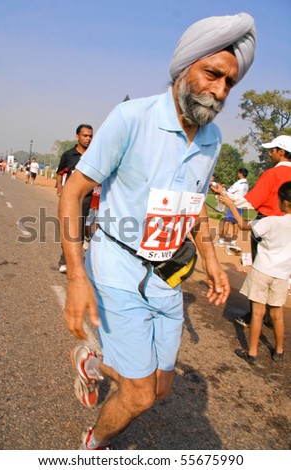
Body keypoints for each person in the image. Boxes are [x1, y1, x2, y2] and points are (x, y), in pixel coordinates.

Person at [59, 13, 255, 450]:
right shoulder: (132, 118)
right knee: (141, 394)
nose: (220, 91)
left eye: (229, 83)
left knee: (161, 388)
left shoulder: (213, 138)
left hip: (168, 275)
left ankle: (93, 362)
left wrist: (211, 263)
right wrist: (76, 276)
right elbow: (73, 193)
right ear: (185, 67)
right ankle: (93, 446)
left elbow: (194, 210)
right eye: (212, 74)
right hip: (116, 265)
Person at [212, 135, 291, 327]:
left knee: (261, 269)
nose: (270, 153)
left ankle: (255, 315)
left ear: (281, 152)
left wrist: (224, 195)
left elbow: (249, 201)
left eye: (272, 150)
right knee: (282, 272)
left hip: (267, 225)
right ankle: (274, 317)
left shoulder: (272, 174)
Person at [219, 182, 291, 364]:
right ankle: (279, 351)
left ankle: (252, 353)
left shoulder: (272, 221)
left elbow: (243, 225)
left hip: (262, 270)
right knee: (277, 314)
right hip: (282, 275)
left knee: (257, 313)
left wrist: (230, 205)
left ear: (282, 201)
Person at [56, 124, 93, 273]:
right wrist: (59, 186)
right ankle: (64, 261)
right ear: (77, 136)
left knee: (80, 231)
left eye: (90, 136)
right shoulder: (68, 155)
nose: (88, 139)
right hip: (70, 198)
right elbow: (60, 173)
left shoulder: (94, 155)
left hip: (87, 199)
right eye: (85, 136)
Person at [215, 168, 249, 246]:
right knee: (236, 222)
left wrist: (222, 188)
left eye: (238, 173)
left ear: (240, 174)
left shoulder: (238, 183)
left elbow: (229, 192)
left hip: (235, 204)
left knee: (226, 221)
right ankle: (233, 241)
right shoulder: (246, 185)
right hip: (242, 204)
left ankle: (222, 240)